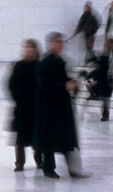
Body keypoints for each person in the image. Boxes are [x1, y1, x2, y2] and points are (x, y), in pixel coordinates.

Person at [34, 33, 86, 178]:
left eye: (61, 42)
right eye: (57, 42)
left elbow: (60, 80)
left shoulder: (59, 61)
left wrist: (72, 83)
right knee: (49, 139)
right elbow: (44, 84)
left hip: (60, 106)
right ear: (51, 44)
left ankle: (73, 169)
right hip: (50, 107)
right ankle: (48, 168)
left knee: (66, 138)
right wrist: (64, 85)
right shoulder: (45, 62)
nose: (60, 44)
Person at [6, 40, 42, 173]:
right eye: (27, 48)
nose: (28, 50)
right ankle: (19, 162)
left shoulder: (39, 65)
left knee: (36, 137)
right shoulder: (18, 66)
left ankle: (39, 160)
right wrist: (17, 98)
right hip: (22, 107)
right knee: (20, 138)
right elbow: (11, 84)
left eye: (31, 48)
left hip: (35, 107)